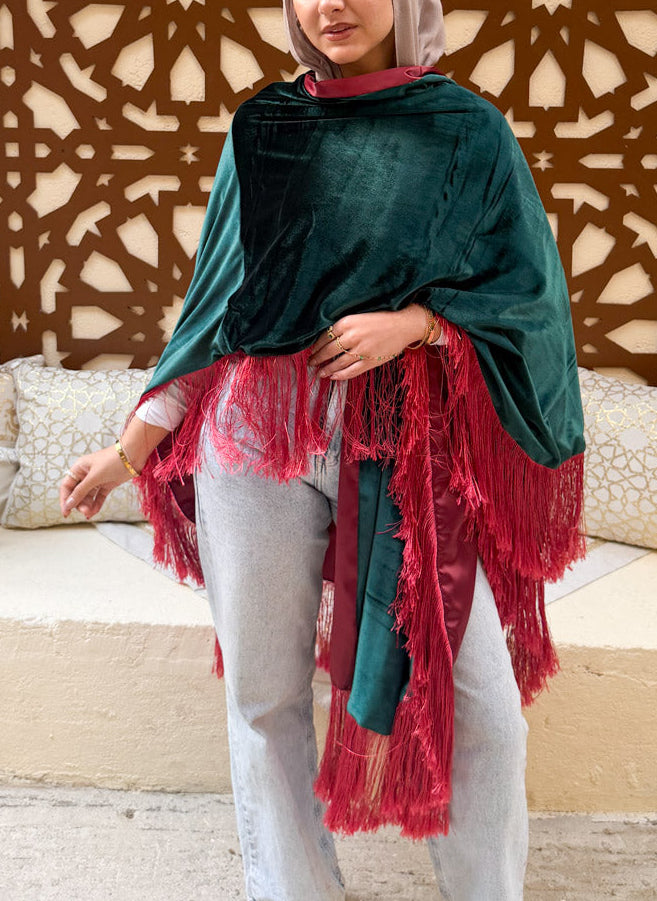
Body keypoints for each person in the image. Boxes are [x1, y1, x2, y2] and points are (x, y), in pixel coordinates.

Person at [59, 2, 586, 898]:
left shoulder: (466, 131)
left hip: (400, 441)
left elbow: (525, 294)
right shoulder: (263, 126)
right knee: (263, 698)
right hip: (252, 439)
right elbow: (216, 309)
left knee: (481, 708)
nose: (329, 6)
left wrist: (416, 323)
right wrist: (131, 448)